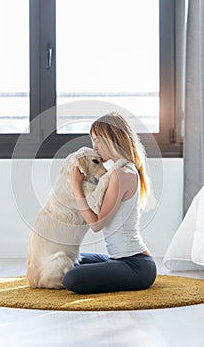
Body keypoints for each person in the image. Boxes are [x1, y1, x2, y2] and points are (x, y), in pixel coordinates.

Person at [62, 112, 157, 294]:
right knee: (65, 260)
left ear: (112, 140)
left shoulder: (122, 175)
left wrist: (76, 187)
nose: (94, 147)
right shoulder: (117, 171)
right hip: (117, 259)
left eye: (98, 140)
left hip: (136, 264)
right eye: (93, 140)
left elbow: (97, 224)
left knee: (70, 278)